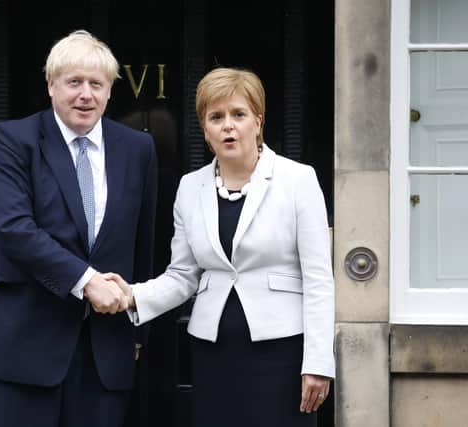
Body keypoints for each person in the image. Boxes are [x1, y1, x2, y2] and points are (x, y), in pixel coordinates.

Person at [107, 67, 334, 426]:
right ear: (206, 129)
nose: (228, 125)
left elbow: (319, 279)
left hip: (283, 352)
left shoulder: (298, 180)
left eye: (238, 114)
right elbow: (183, 275)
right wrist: (132, 296)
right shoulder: (189, 187)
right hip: (213, 352)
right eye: (216, 117)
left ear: (258, 123)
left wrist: (319, 363)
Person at [0, 30, 158, 427]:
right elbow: (12, 228)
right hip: (23, 353)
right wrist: (86, 280)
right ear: (51, 85)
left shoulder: (137, 149)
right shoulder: (10, 140)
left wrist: (137, 332)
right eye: (74, 82)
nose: (85, 95)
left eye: (97, 84)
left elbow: (142, 243)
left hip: (105, 355)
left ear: (110, 91)